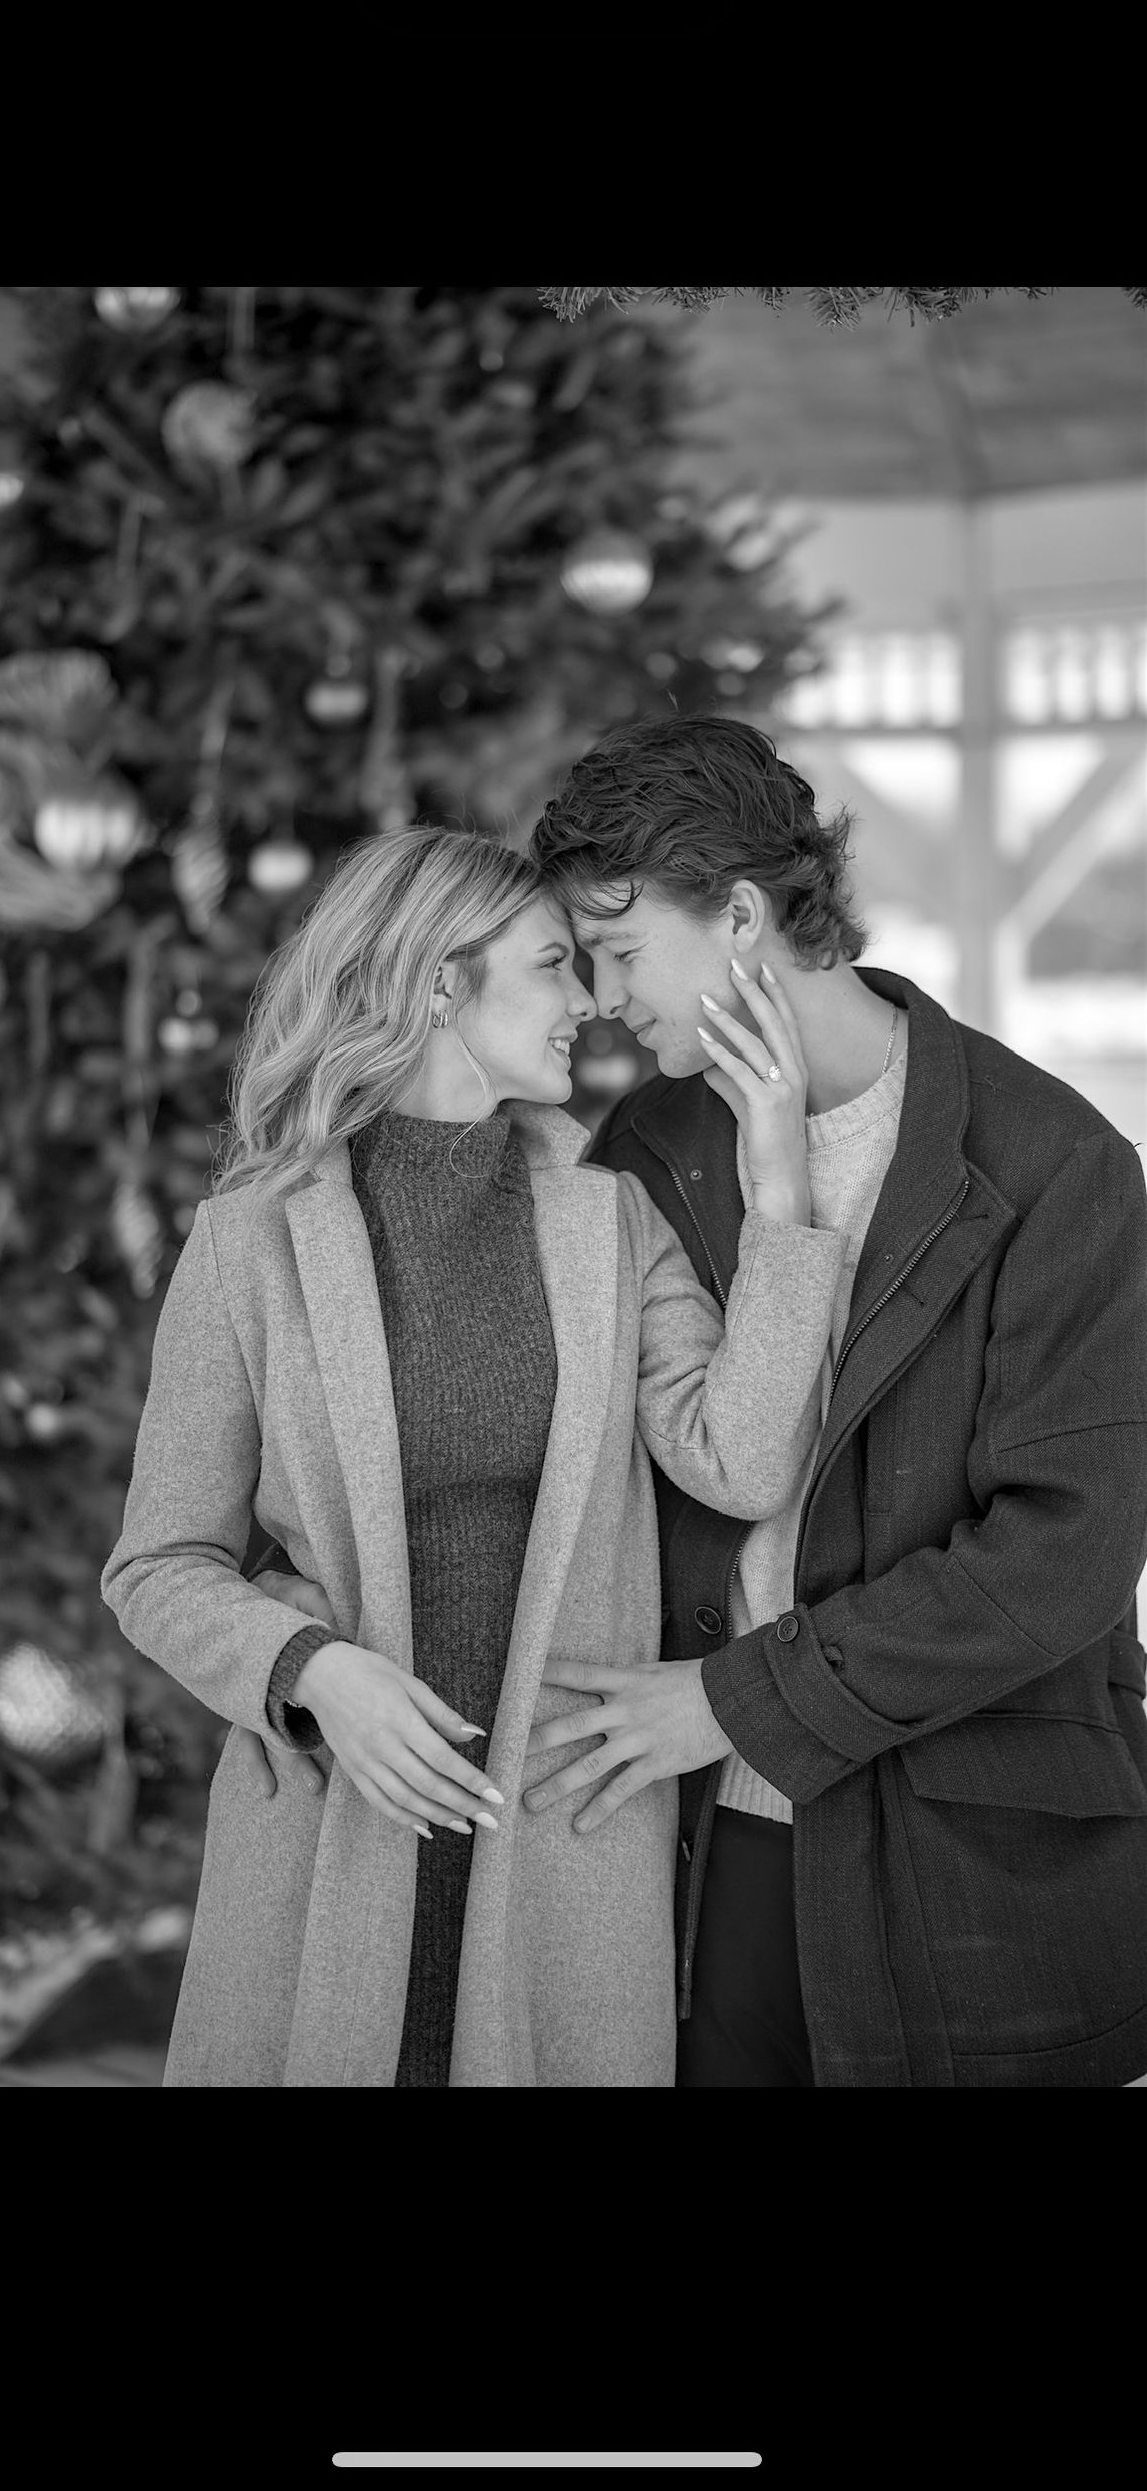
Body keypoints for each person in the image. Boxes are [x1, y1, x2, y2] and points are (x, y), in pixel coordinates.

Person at [249, 715, 1147, 2089]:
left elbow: (1063, 1557)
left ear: (738, 914)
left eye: (616, 949)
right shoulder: (645, 1150)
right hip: (690, 1847)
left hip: (965, 1867)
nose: (601, 999)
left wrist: (739, 1702)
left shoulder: (1054, 1163)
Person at [102, 821, 846, 2087]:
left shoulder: (612, 1216)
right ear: (443, 983)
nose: (589, 1002)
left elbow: (742, 1461)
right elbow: (157, 1563)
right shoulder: (247, 1244)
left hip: (561, 1847)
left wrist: (779, 1183)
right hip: (332, 1836)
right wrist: (314, 1669)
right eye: (553, 963)